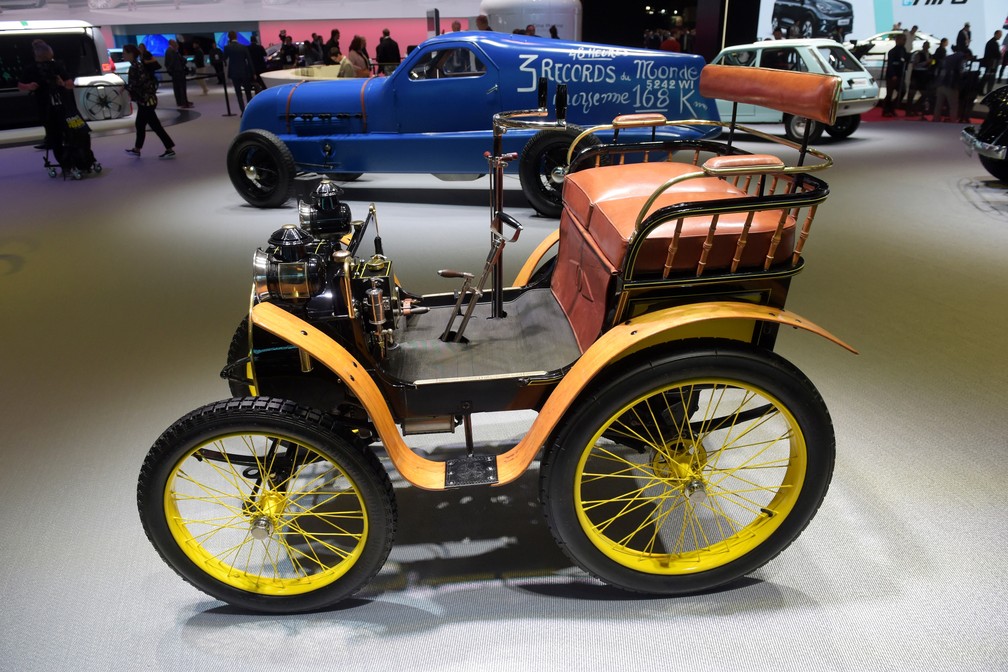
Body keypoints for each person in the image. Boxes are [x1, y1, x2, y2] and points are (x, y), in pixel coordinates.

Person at [17, 39, 74, 151]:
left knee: (52, 123)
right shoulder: (33, 68)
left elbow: (70, 84)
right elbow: (21, 85)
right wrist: (29, 86)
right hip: (49, 101)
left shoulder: (56, 66)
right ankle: (58, 140)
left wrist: (61, 83)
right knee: (55, 122)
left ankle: (56, 141)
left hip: (52, 101)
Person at [121, 43, 174, 158]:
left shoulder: (135, 67)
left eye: (124, 53)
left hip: (146, 101)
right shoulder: (138, 65)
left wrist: (125, 87)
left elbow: (136, 84)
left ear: (131, 54)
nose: (123, 55)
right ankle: (137, 149)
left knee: (154, 126)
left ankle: (169, 148)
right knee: (140, 125)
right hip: (146, 100)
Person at [932, 47, 968, 122]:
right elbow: (961, 70)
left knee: (938, 105)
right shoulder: (961, 58)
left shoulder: (948, 57)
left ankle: (935, 120)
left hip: (940, 83)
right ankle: (953, 121)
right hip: (951, 85)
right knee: (953, 106)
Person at [223, 31, 255, 113]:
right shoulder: (243, 47)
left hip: (234, 72)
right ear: (236, 37)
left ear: (229, 37)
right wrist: (253, 72)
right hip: (244, 71)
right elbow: (249, 60)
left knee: (238, 93)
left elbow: (224, 58)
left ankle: (242, 111)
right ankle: (250, 110)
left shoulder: (227, 47)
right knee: (248, 92)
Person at [881, 33, 908, 116]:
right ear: (898, 40)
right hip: (892, 76)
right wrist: (893, 75)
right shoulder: (892, 51)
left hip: (900, 74)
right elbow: (890, 64)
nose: (904, 41)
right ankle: (885, 110)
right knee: (889, 93)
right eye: (903, 39)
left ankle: (892, 107)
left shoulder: (903, 50)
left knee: (902, 91)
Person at [905, 41, 932, 116]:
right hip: (916, 74)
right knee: (911, 94)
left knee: (924, 94)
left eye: (927, 45)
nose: (926, 47)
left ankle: (915, 108)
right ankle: (909, 110)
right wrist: (926, 62)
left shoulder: (929, 55)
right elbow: (915, 65)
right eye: (925, 45)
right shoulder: (918, 54)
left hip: (924, 75)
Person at [164, 39, 192, 109]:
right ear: (172, 43)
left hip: (176, 72)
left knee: (178, 88)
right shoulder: (171, 51)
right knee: (181, 87)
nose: (176, 44)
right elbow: (174, 62)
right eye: (175, 43)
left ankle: (181, 102)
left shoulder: (171, 51)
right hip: (178, 72)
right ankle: (183, 103)